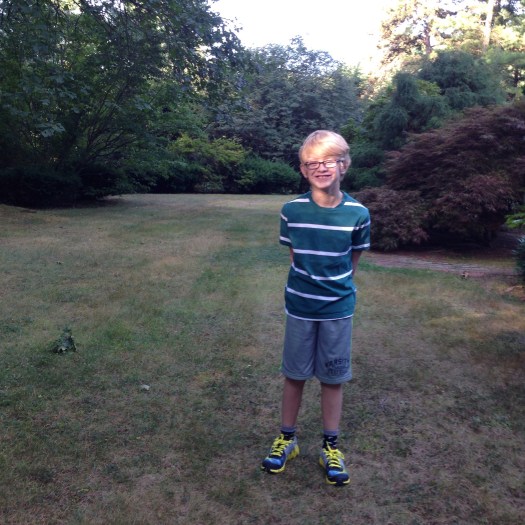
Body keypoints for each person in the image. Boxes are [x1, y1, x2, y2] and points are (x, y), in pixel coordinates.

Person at [261, 130, 371, 486]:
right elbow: (297, 257)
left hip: (338, 309)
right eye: (312, 163)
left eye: (329, 161)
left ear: (344, 165)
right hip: (300, 306)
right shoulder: (292, 211)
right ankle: (287, 439)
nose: (321, 168)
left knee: (332, 378)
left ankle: (331, 446)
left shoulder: (358, 213)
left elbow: (352, 262)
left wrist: (334, 291)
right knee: (294, 374)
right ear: (303, 169)